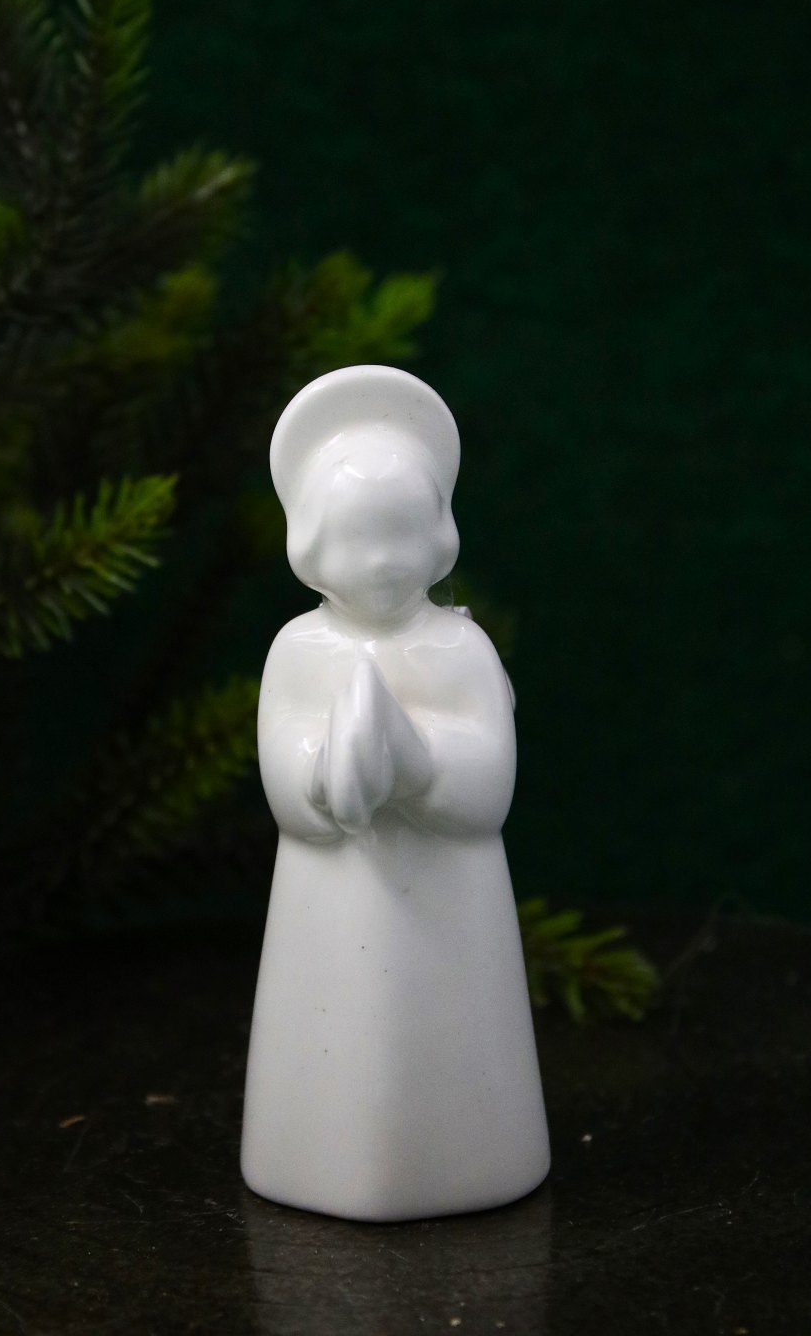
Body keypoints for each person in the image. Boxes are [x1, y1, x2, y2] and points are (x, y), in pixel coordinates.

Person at [241, 364, 549, 1222]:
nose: (379, 563)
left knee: (450, 1026)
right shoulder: (299, 652)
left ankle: (473, 1153)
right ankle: (314, 1157)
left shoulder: (460, 651)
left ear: (439, 537)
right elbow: (283, 777)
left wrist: (415, 765)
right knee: (332, 1030)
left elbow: (489, 790)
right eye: (354, 539)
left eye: (399, 536)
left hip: (449, 907)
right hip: (327, 904)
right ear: (310, 545)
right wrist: (325, 775)